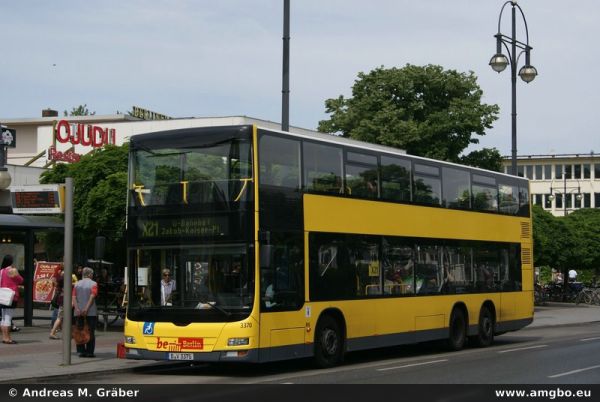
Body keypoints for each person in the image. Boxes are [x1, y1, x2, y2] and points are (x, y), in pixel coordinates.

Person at [72, 267, 98, 357]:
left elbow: (73, 297)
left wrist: (77, 308)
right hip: (90, 312)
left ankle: (81, 351)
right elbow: (92, 296)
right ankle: (90, 352)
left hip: (78, 312)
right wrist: (86, 308)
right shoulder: (94, 284)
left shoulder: (77, 284)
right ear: (90, 274)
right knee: (90, 331)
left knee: (79, 331)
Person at [1, 255, 23, 344]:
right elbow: (21, 280)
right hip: (11, 296)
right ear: (11, 261)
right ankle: (7, 338)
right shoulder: (12, 270)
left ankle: (4, 337)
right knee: (8, 318)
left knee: (3, 318)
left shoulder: (1, 271)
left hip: (2, 296)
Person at [49, 270, 65, 340]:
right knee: (60, 317)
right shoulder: (64, 286)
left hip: (61, 300)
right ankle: (52, 332)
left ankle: (63, 331)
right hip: (64, 301)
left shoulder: (58, 284)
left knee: (61, 317)